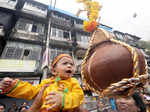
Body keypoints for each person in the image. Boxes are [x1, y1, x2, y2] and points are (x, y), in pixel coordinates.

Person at [0, 54, 84, 112]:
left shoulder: (74, 82)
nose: (69, 66)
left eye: (72, 64)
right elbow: (31, 91)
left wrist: (64, 99)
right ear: (54, 71)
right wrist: (12, 86)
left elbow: (78, 96)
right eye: (65, 63)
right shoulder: (47, 82)